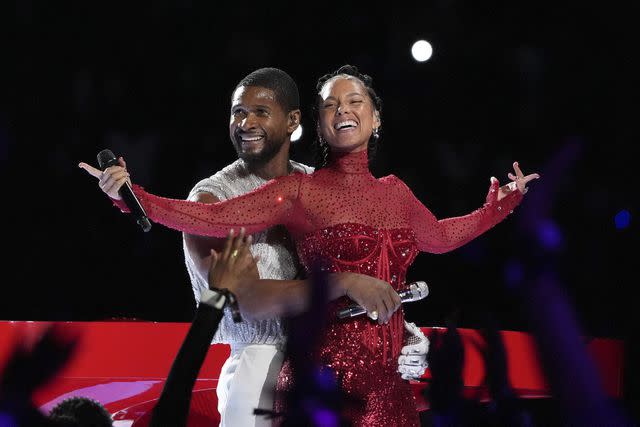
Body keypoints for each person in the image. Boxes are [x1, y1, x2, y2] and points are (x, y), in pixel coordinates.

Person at [80, 64, 539, 425]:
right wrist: (134, 197)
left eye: (355, 101)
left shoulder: (377, 189)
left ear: (375, 117)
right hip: (297, 369)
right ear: (318, 124)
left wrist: (497, 209)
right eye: (331, 105)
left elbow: (438, 237)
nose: (344, 110)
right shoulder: (281, 192)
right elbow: (217, 234)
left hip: (382, 377)